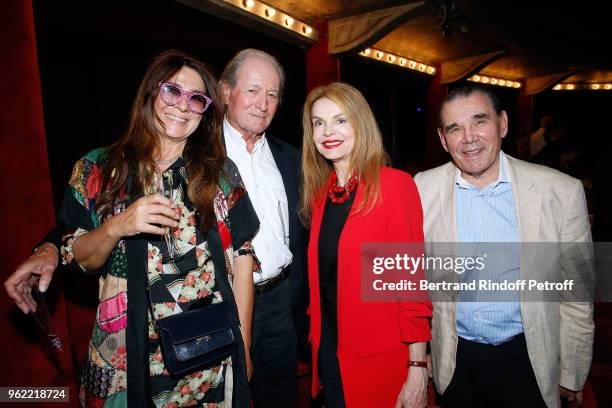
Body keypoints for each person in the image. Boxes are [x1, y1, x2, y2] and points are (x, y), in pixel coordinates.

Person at [5, 48, 308, 407]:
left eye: (196, 99)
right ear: (151, 92)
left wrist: (241, 347)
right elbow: (77, 254)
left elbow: (242, 255)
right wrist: (118, 225)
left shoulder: (219, 174)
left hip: (208, 356)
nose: (183, 105)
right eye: (172, 91)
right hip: (126, 354)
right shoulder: (99, 169)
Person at [414, 85, 594, 407]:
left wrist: (572, 370)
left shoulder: (561, 192)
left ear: (503, 124)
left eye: (480, 121)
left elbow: (577, 294)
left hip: (528, 358)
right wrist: (419, 355)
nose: (469, 137)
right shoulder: (421, 190)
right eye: (455, 128)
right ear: (443, 140)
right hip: (455, 360)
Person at [300, 82, 432, 407]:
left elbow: (411, 286)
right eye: (319, 122)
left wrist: (417, 366)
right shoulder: (321, 196)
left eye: (340, 120)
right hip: (330, 348)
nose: (328, 131)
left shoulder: (394, 186)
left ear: (360, 123)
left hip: (380, 357)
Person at [219, 48, 307, 407]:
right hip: (222, 305)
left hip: (281, 304)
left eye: (272, 94)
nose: (263, 103)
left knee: (280, 397)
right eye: (253, 90)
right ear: (226, 92)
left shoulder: (291, 159)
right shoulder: (198, 156)